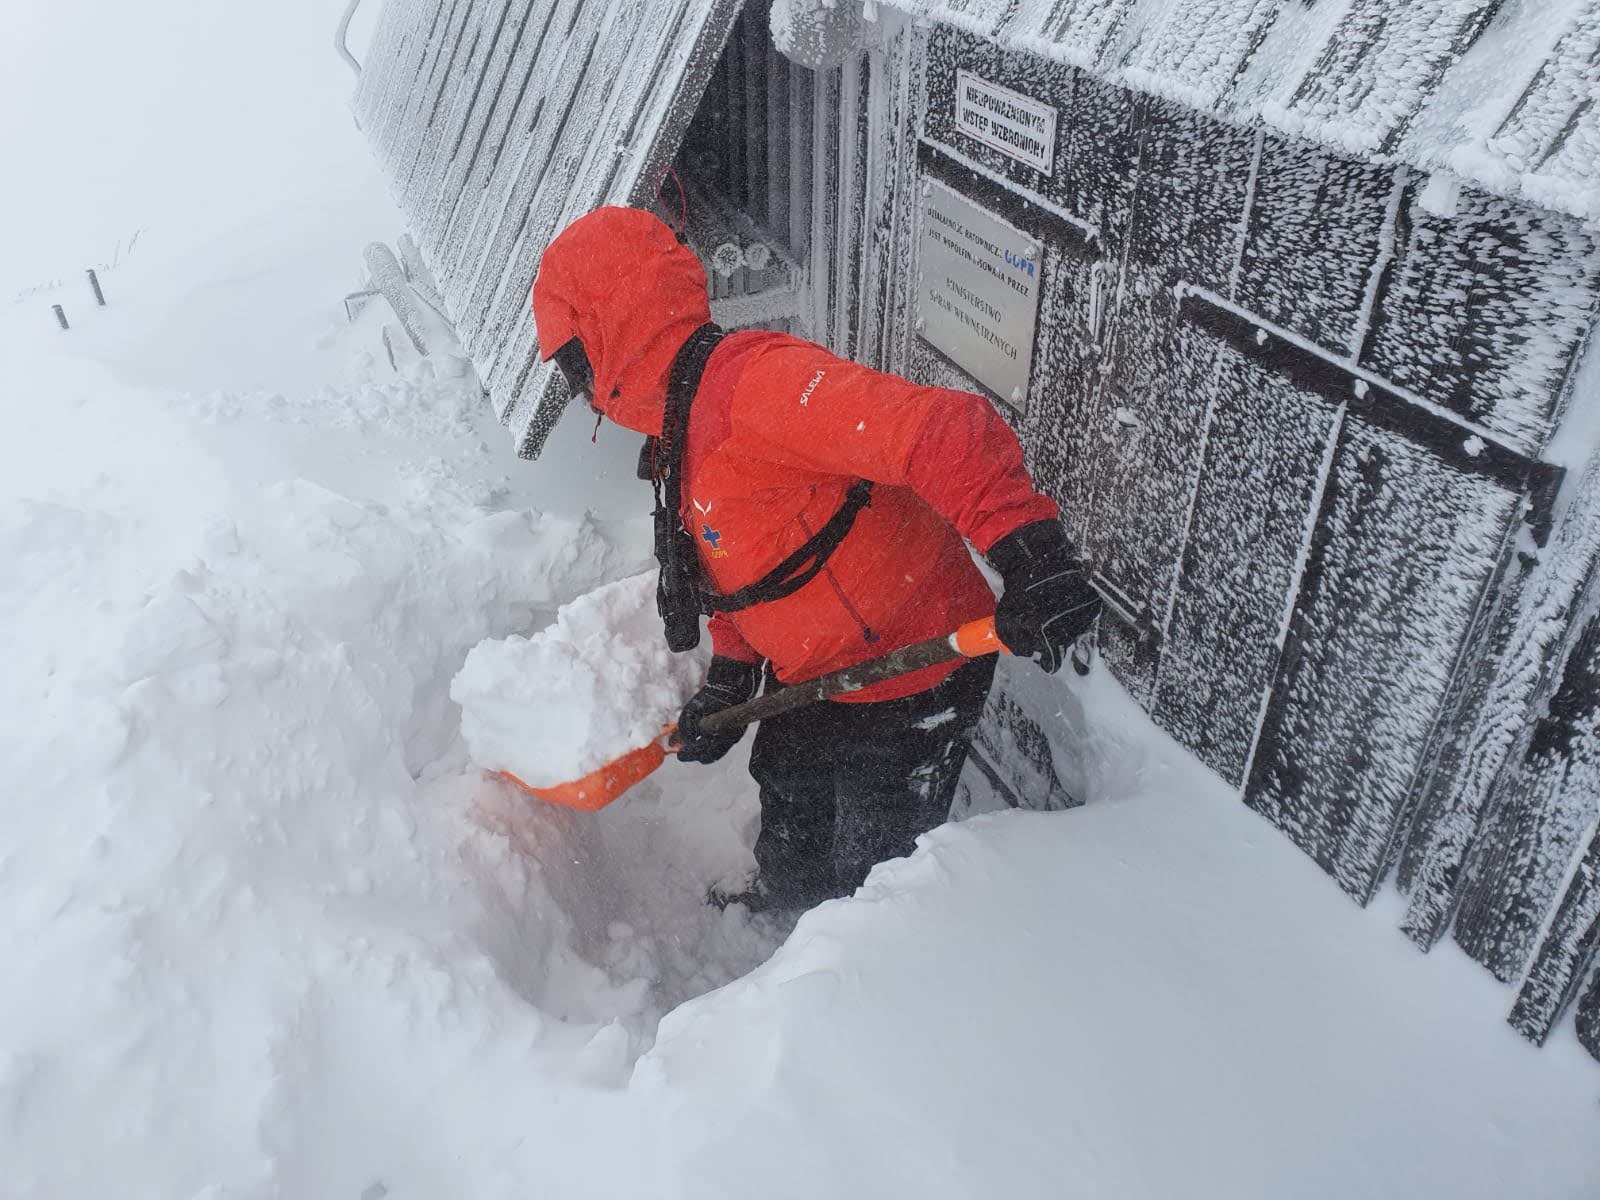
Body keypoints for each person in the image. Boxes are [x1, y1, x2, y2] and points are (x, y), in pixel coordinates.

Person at [531, 206, 1099, 913]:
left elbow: (941, 430)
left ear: (614, 331)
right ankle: (787, 901)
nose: (577, 387)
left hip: (916, 666)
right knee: (787, 790)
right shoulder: (678, 428)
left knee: (877, 870)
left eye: (574, 363)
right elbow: (735, 566)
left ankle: (846, 985)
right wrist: (731, 680)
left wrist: (1031, 552)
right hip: (817, 674)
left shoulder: (757, 389)